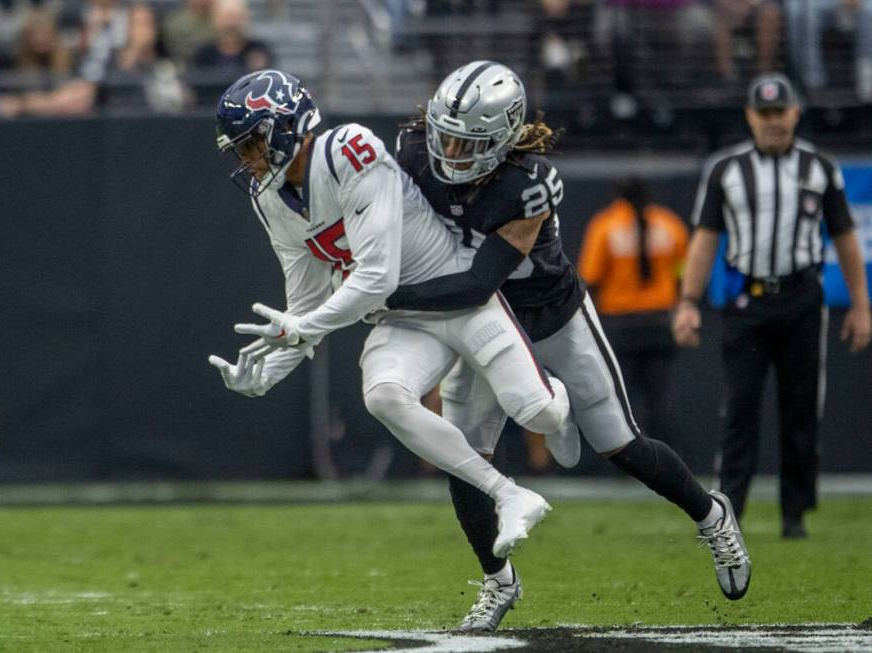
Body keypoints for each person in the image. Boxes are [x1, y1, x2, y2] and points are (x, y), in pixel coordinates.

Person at [387, 60, 750, 632]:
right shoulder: (410, 150)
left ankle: (712, 515)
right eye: (445, 136)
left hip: (549, 313)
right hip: (483, 320)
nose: (449, 154)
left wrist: (387, 296)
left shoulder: (525, 185)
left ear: (501, 140)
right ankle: (496, 580)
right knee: (463, 457)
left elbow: (480, 279)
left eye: (467, 144)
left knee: (618, 441)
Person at [208, 69, 577, 561]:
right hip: (401, 319)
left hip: (457, 297)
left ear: (286, 126)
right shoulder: (270, 199)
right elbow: (305, 304)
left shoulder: (348, 150)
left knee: (539, 412)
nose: (246, 160)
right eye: (239, 149)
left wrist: (303, 329)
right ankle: (509, 493)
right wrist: (268, 374)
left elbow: (375, 278)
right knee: (383, 395)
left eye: (252, 143)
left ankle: (559, 400)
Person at [673, 72, 871, 539]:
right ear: (749, 116)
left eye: (779, 112)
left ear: (795, 113)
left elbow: (845, 238)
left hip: (803, 298)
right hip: (748, 301)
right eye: (763, 114)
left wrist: (861, 306)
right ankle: (729, 514)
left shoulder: (820, 168)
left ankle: (795, 514)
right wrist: (687, 301)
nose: (773, 122)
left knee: (800, 408)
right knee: (740, 409)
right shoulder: (725, 169)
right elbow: (705, 239)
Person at [578, 177, 689, 447]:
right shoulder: (669, 223)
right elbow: (683, 273)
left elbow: (590, 278)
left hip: (620, 324)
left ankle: (623, 456)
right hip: (660, 322)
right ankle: (668, 460)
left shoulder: (605, 226)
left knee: (618, 397)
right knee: (660, 397)